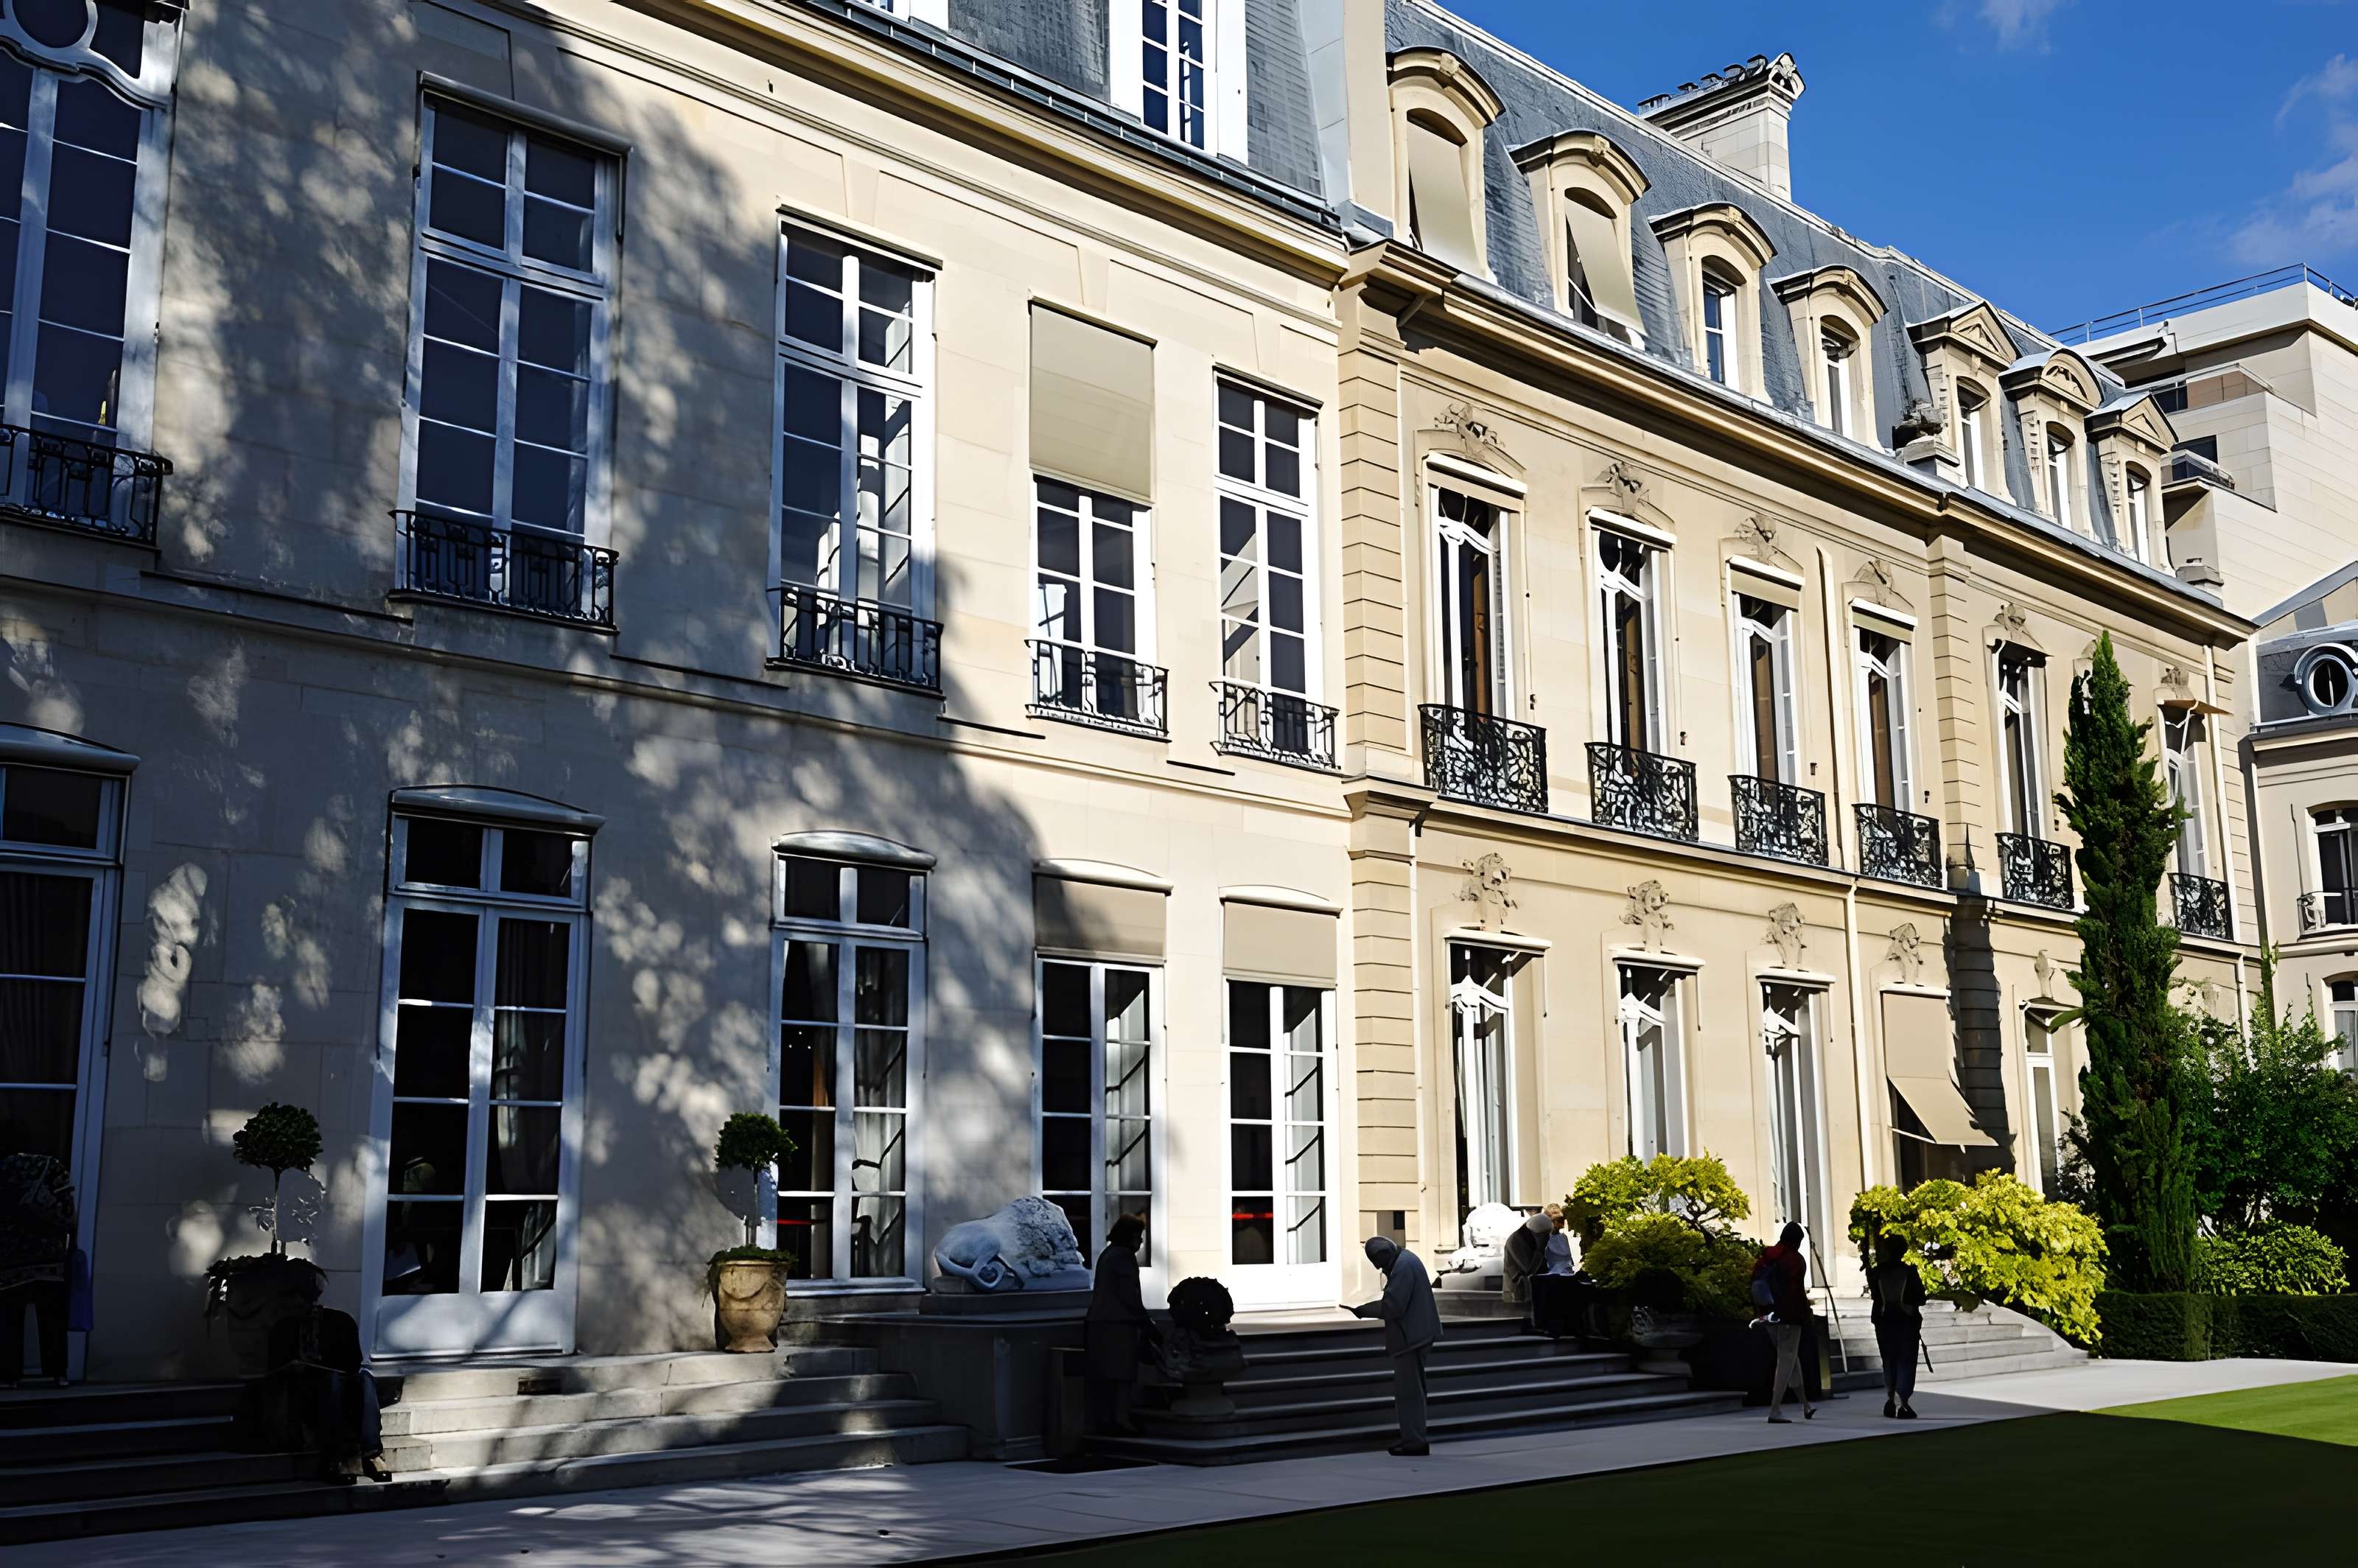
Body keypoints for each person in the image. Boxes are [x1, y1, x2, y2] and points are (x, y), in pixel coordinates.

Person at [1351, 1235, 1441, 1456]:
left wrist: (1365, 1310)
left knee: (1408, 1394)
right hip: (1415, 1335)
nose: (1380, 1268)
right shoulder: (1407, 1260)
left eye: (1379, 1263)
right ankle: (1414, 1438)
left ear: (1386, 1254)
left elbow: (1393, 1306)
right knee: (1412, 1392)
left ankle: (1414, 1440)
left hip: (1411, 1338)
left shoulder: (1403, 1267)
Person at [0, 1146, 77, 1389]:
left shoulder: (5, 1170)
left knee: (10, 1319)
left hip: (11, 1259)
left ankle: (8, 1376)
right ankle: (58, 1373)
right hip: (49, 1258)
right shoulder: (53, 1167)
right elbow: (68, 1214)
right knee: (52, 1316)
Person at [1082, 1213, 1153, 1435]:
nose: (1141, 1241)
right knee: (1122, 1375)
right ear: (1130, 1236)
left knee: (1107, 1376)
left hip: (1100, 1322)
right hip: (1118, 1324)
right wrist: (1147, 1324)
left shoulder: (1108, 1254)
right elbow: (1129, 1295)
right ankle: (1121, 1420)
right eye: (1139, 1236)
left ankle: (1107, 1420)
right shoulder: (1123, 1258)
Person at [1752, 1221, 1815, 1424]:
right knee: (1787, 1361)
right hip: (1789, 1316)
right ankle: (1775, 1409)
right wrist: (1805, 1315)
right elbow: (1796, 1292)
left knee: (1790, 1358)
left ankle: (1805, 1404)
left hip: (1769, 1314)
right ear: (1797, 1241)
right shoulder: (1794, 1260)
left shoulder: (1769, 1256)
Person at [1869, 1234, 1928, 1419]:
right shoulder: (1909, 1272)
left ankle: (1890, 1398)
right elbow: (1920, 1298)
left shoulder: (1877, 1272)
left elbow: (1875, 1296)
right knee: (1905, 1362)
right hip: (1905, 1322)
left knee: (1889, 1360)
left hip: (1884, 1321)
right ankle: (1903, 1402)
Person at [1500, 1207, 1553, 1331]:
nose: (1545, 1238)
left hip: (1533, 1288)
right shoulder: (1516, 1241)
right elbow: (1529, 1269)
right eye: (1542, 1236)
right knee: (1525, 1319)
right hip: (1519, 1287)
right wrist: (1540, 1250)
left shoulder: (1535, 1239)